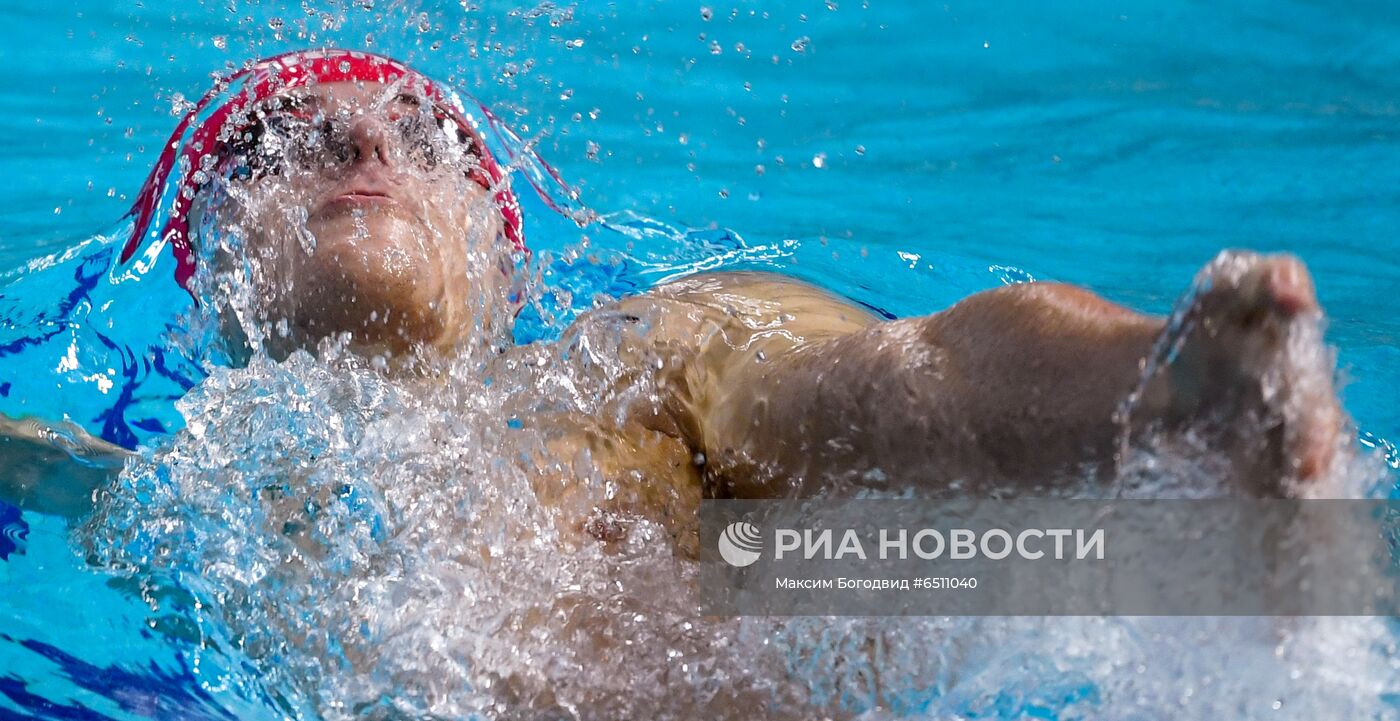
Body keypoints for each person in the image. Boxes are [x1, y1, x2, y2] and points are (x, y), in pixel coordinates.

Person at [0, 49, 1346, 531]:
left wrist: (1133, 378)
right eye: (275, 140)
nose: (363, 145)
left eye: (427, 139)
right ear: (201, 263)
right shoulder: (161, 487)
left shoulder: (632, 364)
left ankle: (1163, 403)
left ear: (500, 252)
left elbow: (904, 382)